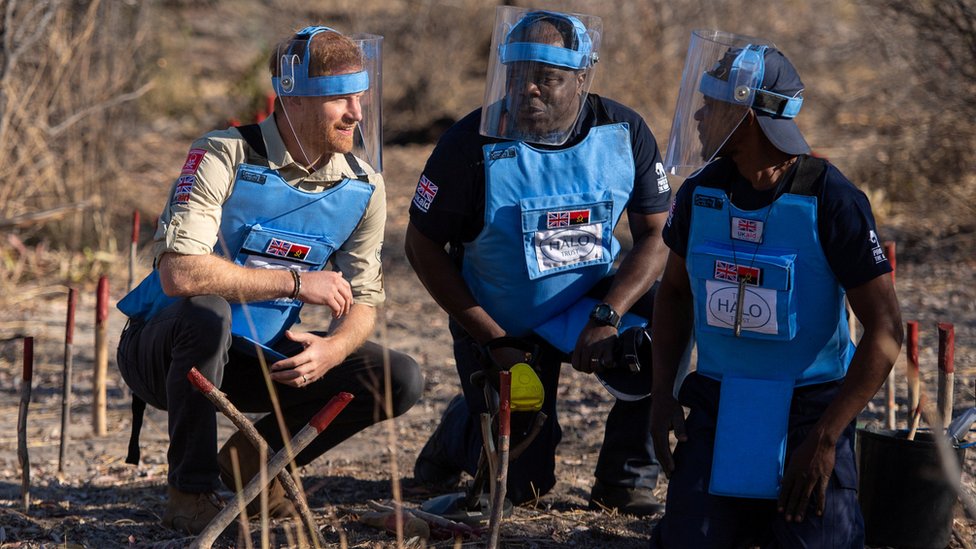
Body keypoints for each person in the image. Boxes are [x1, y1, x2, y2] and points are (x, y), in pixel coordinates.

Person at [115, 25, 423, 534]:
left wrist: (333, 350)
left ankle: (250, 468)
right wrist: (299, 285)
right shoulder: (223, 154)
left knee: (398, 377)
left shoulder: (364, 187)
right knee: (207, 311)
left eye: (359, 98)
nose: (356, 114)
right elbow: (180, 273)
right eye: (339, 99)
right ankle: (189, 494)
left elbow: (365, 298)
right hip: (167, 349)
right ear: (293, 98)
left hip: (259, 355)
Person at [405, 7, 672, 515]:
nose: (528, 89)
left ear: (580, 78)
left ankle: (626, 479)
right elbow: (420, 248)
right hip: (502, 318)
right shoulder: (469, 145)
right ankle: (459, 432)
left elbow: (656, 235)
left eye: (546, 78)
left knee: (671, 321)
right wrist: (493, 339)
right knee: (525, 488)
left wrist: (609, 314)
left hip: (589, 302)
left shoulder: (623, 130)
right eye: (518, 76)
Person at [649, 31, 903, 547]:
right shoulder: (701, 193)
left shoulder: (832, 199)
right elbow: (673, 294)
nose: (698, 117)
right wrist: (661, 397)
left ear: (746, 117)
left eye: (710, 105)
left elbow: (885, 328)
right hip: (720, 403)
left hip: (810, 413)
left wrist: (826, 438)